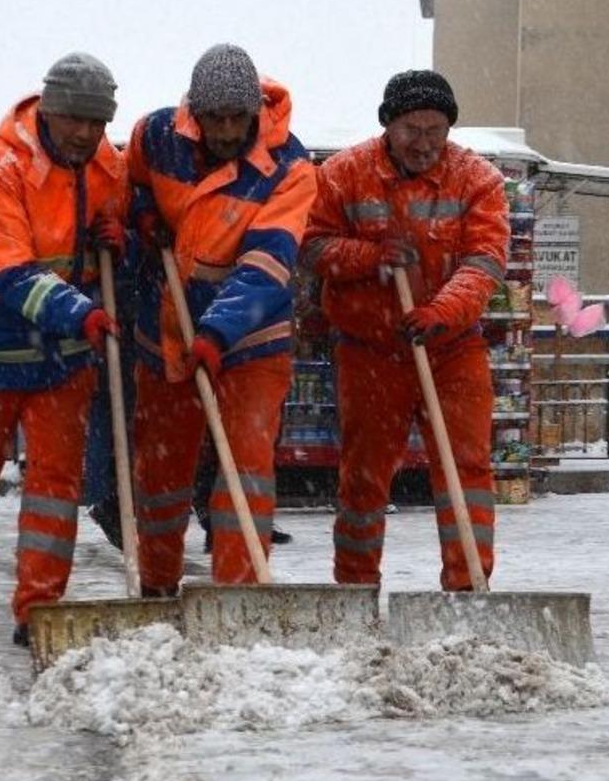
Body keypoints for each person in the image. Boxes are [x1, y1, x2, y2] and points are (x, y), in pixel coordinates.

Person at [0, 52, 127, 645]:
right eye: (75, 122)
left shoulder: (106, 165)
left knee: (56, 487)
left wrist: (119, 234)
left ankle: (38, 608)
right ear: (49, 111)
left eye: (98, 123)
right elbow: (10, 272)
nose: (86, 135)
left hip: (61, 357)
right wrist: (80, 311)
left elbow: (114, 221)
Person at [301, 69, 509, 590]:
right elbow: (312, 245)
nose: (424, 144)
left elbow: (484, 261)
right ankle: (355, 586)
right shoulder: (342, 174)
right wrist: (369, 256)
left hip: (451, 346)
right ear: (388, 126)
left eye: (435, 131)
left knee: (467, 470)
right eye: (412, 130)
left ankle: (468, 587)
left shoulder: (477, 180)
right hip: (370, 350)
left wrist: (442, 311)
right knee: (364, 477)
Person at [126, 44, 316, 594]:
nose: (228, 130)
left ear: (257, 109)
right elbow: (131, 177)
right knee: (160, 475)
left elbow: (267, 262)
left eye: (239, 117)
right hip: (165, 330)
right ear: (195, 111)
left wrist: (217, 332)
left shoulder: (289, 169)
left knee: (245, 470)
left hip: (252, 340)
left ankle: (237, 594)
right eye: (216, 119)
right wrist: (140, 212)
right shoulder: (157, 135)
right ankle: (156, 588)